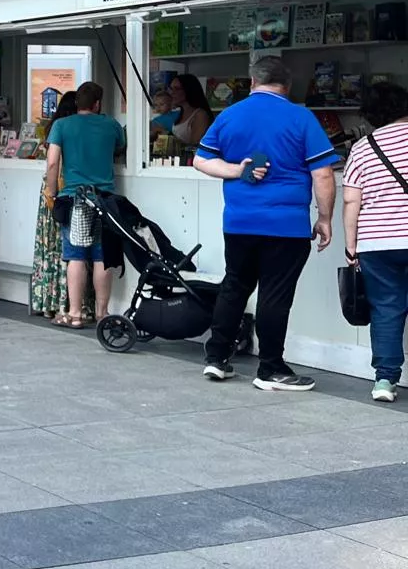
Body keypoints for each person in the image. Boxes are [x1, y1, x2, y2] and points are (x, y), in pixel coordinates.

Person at [194, 56, 337, 391]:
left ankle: (216, 358)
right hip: (286, 226)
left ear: (252, 81)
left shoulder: (230, 115)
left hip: (239, 222)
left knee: (235, 286)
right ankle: (270, 368)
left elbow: (201, 159)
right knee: (275, 294)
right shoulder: (301, 117)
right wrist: (325, 218)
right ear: (287, 86)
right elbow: (323, 173)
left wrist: (236, 169)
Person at [343, 82, 408, 402]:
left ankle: (385, 380)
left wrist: (351, 245)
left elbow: (352, 201)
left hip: (377, 243)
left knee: (386, 309)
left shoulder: (363, 148)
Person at [43, 82, 125, 329]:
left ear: (77, 103)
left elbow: (53, 163)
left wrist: (51, 192)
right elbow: (120, 148)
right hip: (105, 198)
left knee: (76, 257)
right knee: (103, 257)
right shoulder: (111, 125)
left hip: (76, 197)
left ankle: (75, 313)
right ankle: (102, 313)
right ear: (98, 104)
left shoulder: (61, 125)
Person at [30, 92, 91, 322]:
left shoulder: (56, 128)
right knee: (77, 250)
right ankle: (77, 304)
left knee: (55, 250)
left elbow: (52, 162)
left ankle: (52, 301)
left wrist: (51, 192)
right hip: (74, 192)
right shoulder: (82, 129)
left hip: (53, 193)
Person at [168, 73, 213, 150]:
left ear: (188, 90)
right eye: (171, 89)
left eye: (177, 89)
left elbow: (196, 146)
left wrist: (174, 142)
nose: (172, 93)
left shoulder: (200, 115)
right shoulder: (180, 113)